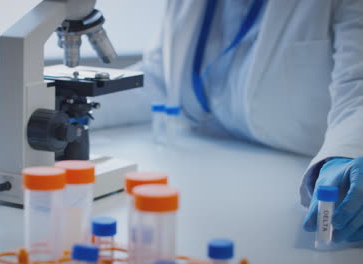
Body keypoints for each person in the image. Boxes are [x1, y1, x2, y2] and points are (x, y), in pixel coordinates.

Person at [93, 0, 363, 243]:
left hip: (292, 172)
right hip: (202, 171)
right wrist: (62, 102)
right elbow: (161, 76)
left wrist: (345, 153)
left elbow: (358, 87)